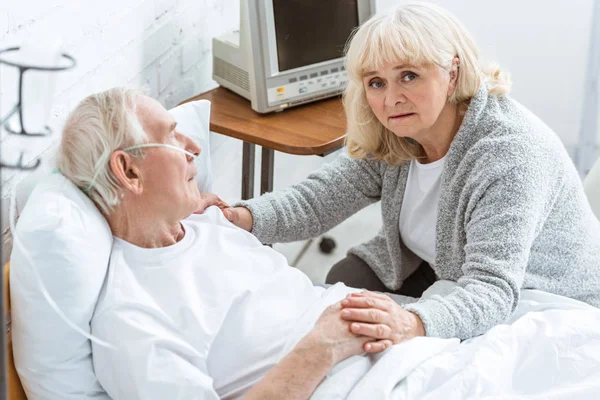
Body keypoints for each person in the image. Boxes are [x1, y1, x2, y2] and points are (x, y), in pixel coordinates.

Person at [217, 2, 600, 341]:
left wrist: (410, 323)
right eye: (376, 83)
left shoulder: (508, 156)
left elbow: (492, 289)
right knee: (344, 285)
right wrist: (239, 218)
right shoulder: (400, 131)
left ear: (452, 73)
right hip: (443, 266)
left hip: (539, 293)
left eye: (409, 76)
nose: (391, 99)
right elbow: (320, 198)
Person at [57, 87, 420, 400]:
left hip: (404, 356)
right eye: (171, 138)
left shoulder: (207, 221)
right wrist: (323, 346)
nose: (194, 147)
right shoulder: (131, 320)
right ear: (129, 172)